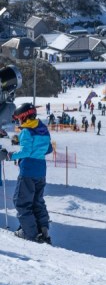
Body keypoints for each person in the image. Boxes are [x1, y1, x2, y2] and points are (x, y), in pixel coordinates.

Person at [2, 104, 52, 243]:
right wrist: (37, 150)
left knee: (21, 202)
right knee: (37, 201)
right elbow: (48, 149)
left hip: (28, 170)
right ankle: (43, 229)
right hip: (41, 170)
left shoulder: (26, 131)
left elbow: (26, 152)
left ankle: (30, 233)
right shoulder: (42, 127)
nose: (18, 121)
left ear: (24, 117)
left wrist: (8, 156)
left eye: (18, 118)